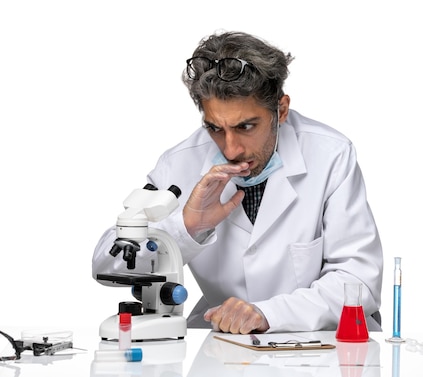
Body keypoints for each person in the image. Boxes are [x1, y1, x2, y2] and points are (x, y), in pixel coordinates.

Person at [92, 30, 383, 334]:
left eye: (246, 126)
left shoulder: (331, 154)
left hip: (324, 343)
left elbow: (358, 280)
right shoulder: (179, 164)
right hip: (224, 342)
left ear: (280, 110)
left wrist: (266, 314)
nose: (231, 149)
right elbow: (105, 264)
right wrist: (186, 227)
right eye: (215, 128)